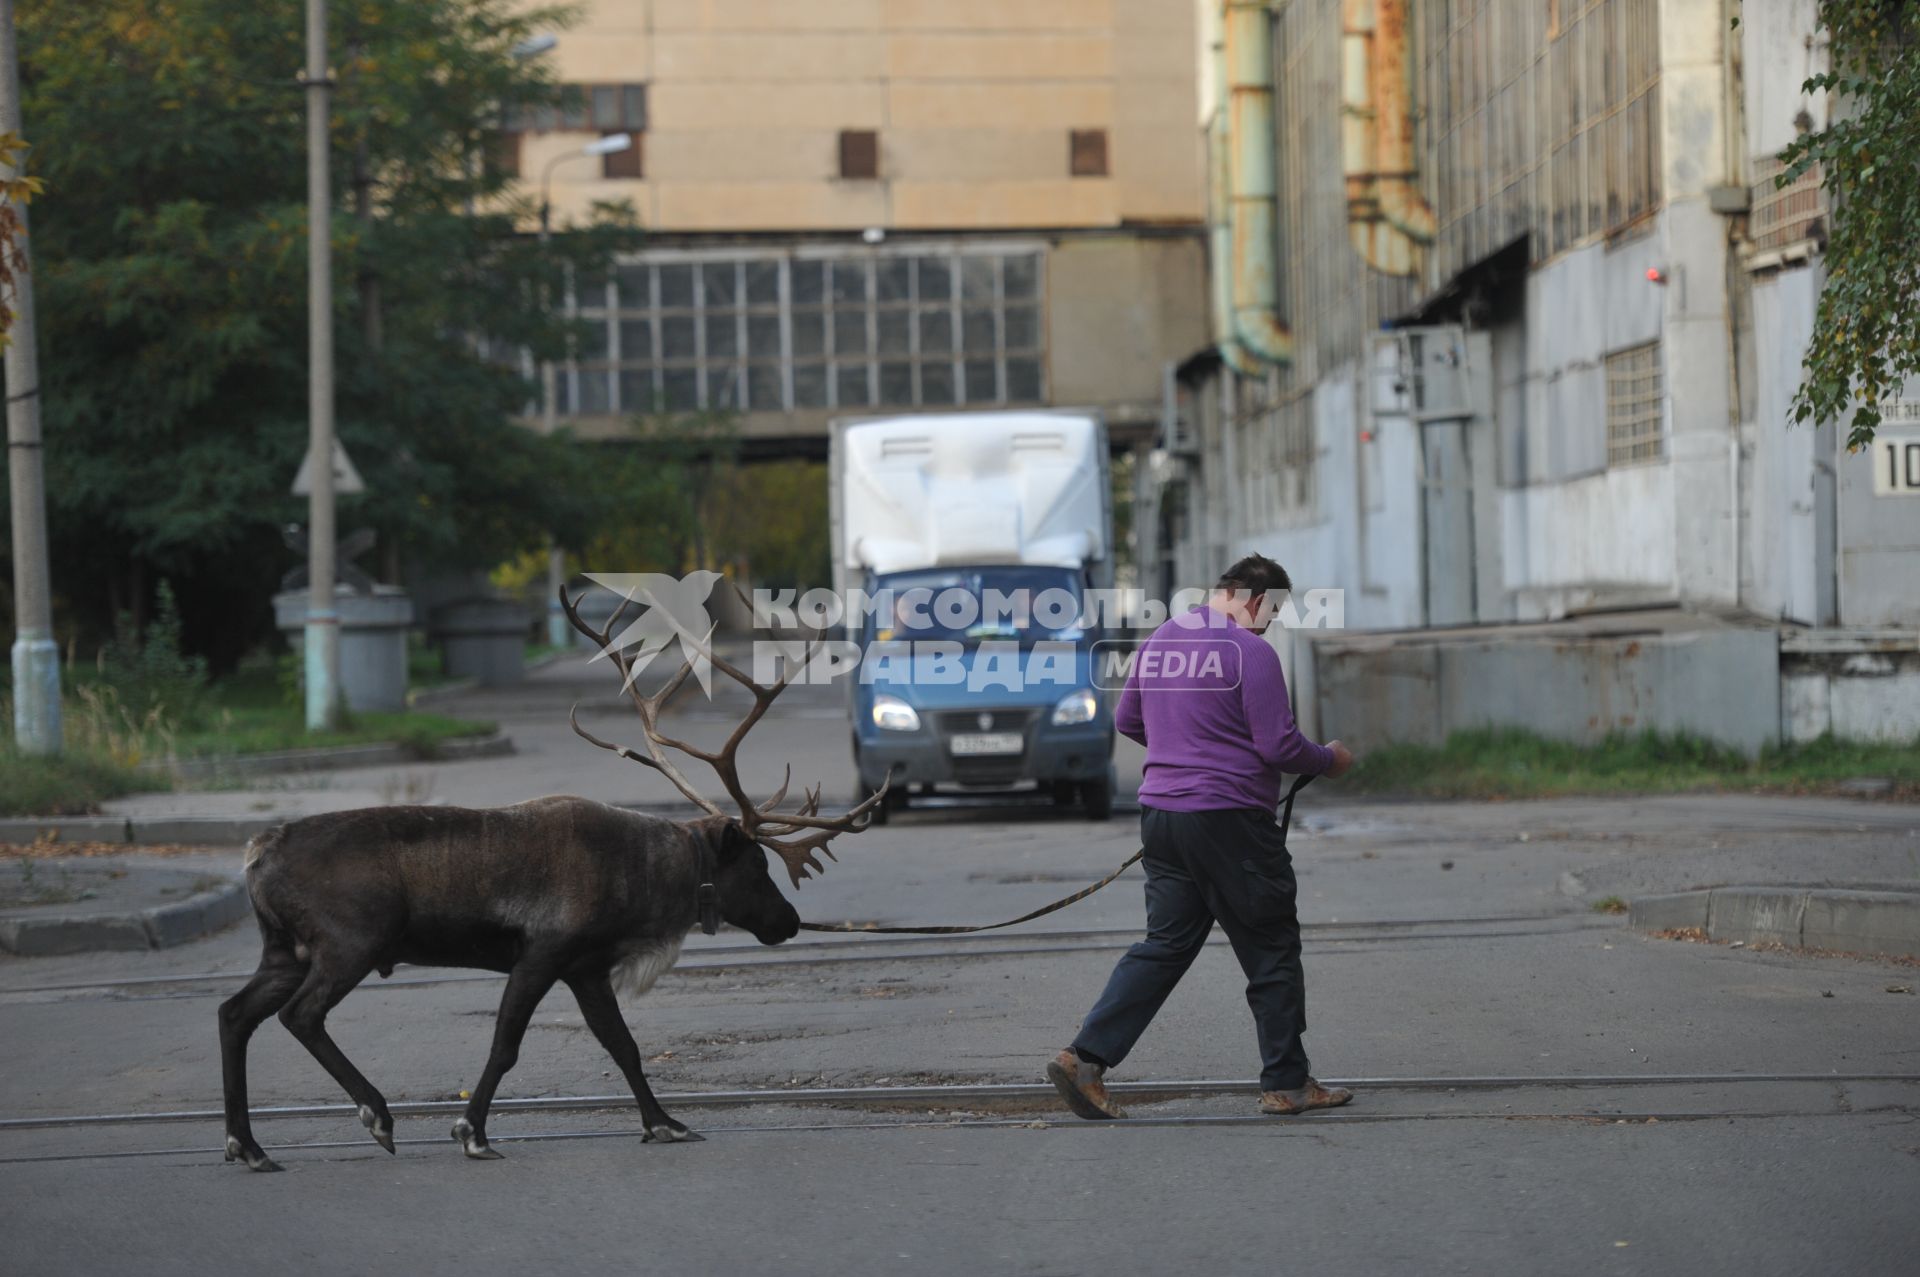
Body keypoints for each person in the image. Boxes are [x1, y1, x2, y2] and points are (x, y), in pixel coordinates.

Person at [1046, 553, 1355, 1120]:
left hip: (1162, 818)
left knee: (1164, 946)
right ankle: (1287, 1084)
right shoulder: (1250, 652)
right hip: (1231, 823)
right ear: (1256, 600)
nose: (1269, 626)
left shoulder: (1161, 639)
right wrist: (1329, 759)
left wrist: (1181, 753)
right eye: (1272, 614)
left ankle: (1083, 1060)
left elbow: (1128, 722)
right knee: (1271, 946)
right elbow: (1280, 748)